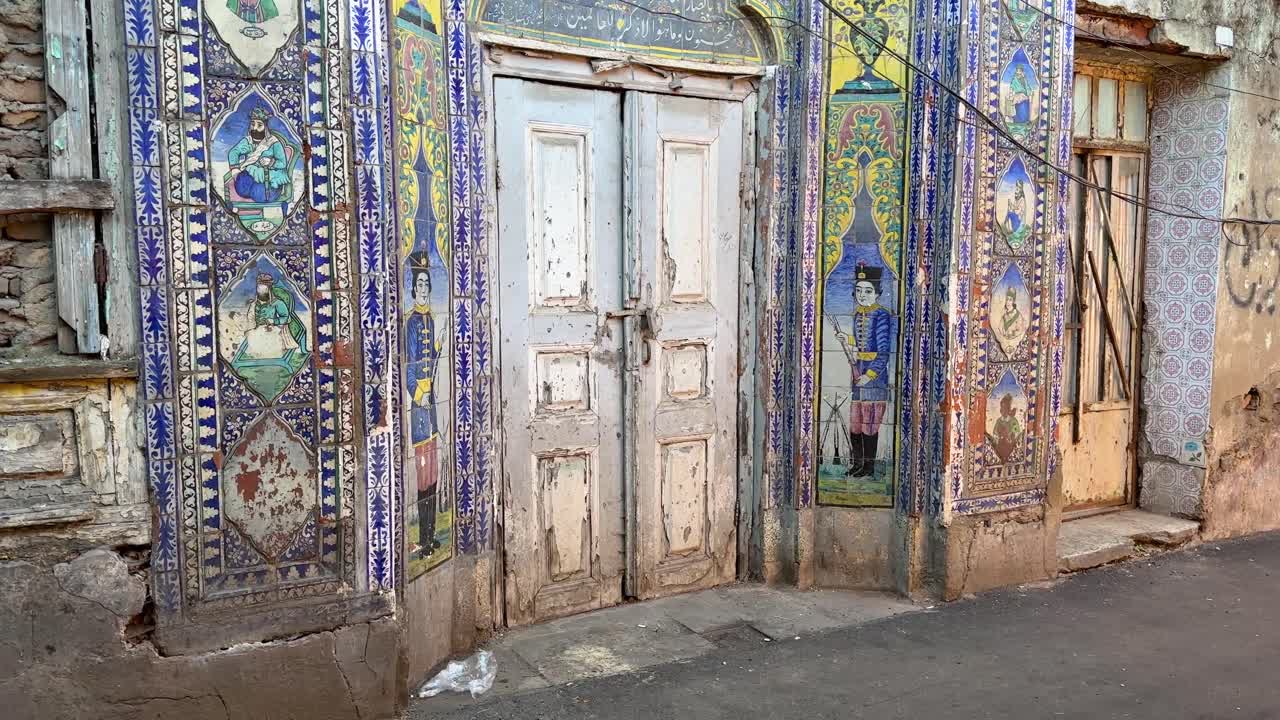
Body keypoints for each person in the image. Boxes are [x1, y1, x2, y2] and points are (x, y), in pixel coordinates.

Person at [839, 263, 893, 478]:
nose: (862, 295)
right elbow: (863, 343)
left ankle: (868, 467)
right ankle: (857, 463)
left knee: (870, 424)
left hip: (874, 379)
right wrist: (848, 339)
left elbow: (882, 352)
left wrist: (869, 376)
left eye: (868, 291)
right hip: (857, 375)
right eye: (859, 291)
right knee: (855, 422)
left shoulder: (882, 315)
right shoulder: (858, 314)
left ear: (877, 293)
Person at [405, 257, 442, 558]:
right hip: (420, 409)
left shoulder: (430, 319)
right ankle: (423, 539)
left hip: (432, 409)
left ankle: (431, 537)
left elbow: (431, 359)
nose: (423, 289)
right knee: (423, 473)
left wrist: (439, 348)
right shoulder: (413, 322)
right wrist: (420, 396)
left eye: (427, 284)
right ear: (413, 288)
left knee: (434, 472)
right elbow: (409, 370)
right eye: (419, 284)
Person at [226, 107, 290, 204]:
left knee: (258, 194)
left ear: (265, 127)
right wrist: (235, 170)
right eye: (252, 124)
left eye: (259, 125)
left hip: (268, 180)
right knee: (242, 187)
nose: (255, 128)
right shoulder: (248, 141)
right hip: (250, 175)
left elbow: (282, 163)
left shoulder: (273, 142)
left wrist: (271, 162)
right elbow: (233, 152)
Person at [252, 272, 306, 353]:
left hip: (273, 328)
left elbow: (286, 317)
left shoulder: (278, 303)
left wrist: (274, 321)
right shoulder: (255, 303)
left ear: (268, 290)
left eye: (263, 289)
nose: (260, 291)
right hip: (258, 330)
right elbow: (251, 316)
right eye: (259, 289)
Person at [992, 393, 1023, 461]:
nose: (1002, 410)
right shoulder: (999, 421)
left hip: (1010, 446)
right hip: (1000, 446)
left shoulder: (1013, 421)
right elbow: (994, 434)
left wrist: (1010, 436)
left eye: (1004, 408)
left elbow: (1017, 434)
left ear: (1008, 409)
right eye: (1001, 407)